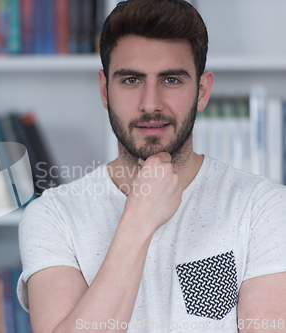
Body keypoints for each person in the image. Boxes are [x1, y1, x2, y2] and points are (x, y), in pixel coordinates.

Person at [15, 0, 286, 332]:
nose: (150, 104)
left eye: (171, 80)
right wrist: (138, 220)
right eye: (131, 80)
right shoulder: (52, 215)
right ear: (104, 90)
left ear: (201, 91)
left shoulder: (265, 208)